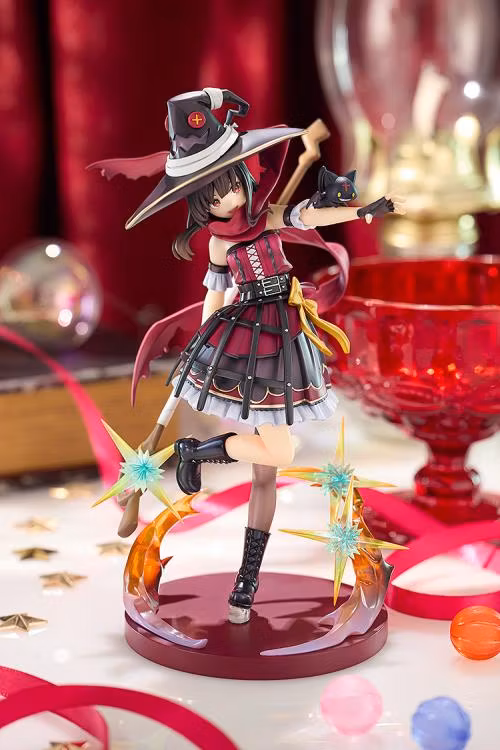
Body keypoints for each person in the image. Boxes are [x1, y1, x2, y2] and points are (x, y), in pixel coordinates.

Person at [91, 87, 404, 624]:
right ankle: (196, 453)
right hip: (245, 339)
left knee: (266, 471)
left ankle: (245, 579)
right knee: (278, 452)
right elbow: (215, 297)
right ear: (198, 202)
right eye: (214, 195)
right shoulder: (218, 244)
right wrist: (201, 338)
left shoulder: (268, 216)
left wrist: (363, 210)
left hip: (286, 334)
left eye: (233, 183)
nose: (230, 198)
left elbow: (310, 215)